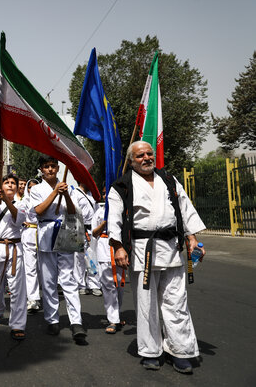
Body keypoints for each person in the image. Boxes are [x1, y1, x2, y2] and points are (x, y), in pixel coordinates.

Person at [108, 141, 206, 374]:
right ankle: (151, 351)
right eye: (140, 155)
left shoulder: (169, 180)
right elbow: (115, 218)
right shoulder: (122, 185)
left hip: (171, 247)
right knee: (146, 304)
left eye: (149, 154)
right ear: (131, 161)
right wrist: (118, 247)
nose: (146, 158)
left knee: (176, 302)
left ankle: (180, 351)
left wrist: (191, 236)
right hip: (143, 250)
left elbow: (185, 208)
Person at [29, 155, 87, 344]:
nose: (50, 169)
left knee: (68, 279)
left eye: (53, 166)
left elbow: (72, 211)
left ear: (58, 167)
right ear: (42, 170)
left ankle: (76, 322)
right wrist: (54, 193)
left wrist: (66, 195)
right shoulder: (37, 189)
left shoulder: (69, 188)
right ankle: (52, 319)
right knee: (48, 281)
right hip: (46, 234)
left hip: (65, 233)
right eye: (46, 167)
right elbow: (38, 211)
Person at [0, 161, 27, 340]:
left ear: (17, 188)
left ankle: (17, 324)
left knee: (17, 288)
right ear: (0, 186)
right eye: (6, 182)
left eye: (13, 183)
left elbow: (18, 219)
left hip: (15, 248)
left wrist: (9, 201)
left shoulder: (23, 203)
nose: (10, 185)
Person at [90, 187, 124, 334]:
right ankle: (113, 319)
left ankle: (117, 313)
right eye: (105, 193)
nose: (107, 196)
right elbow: (94, 232)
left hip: (120, 248)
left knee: (119, 284)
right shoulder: (99, 211)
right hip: (104, 248)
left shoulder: (122, 209)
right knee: (108, 285)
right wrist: (103, 224)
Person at [70, 182, 102, 296]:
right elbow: (74, 211)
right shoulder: (74, 193)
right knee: (78, 258)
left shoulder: (92, 194)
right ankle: (80, 284)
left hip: (91, 228)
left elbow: (97, 210)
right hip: (79, 228)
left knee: (92, 256)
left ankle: (94, 284)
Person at [21, 178, 42, 314]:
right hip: (28, 234)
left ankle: (44, 294)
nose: (32, 189)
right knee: (30, 267)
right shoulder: (24, 202)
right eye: (30, 187)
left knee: (43, 267)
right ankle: (32, 298)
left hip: (42, 233)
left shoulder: (43, 200)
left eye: (35, 187)